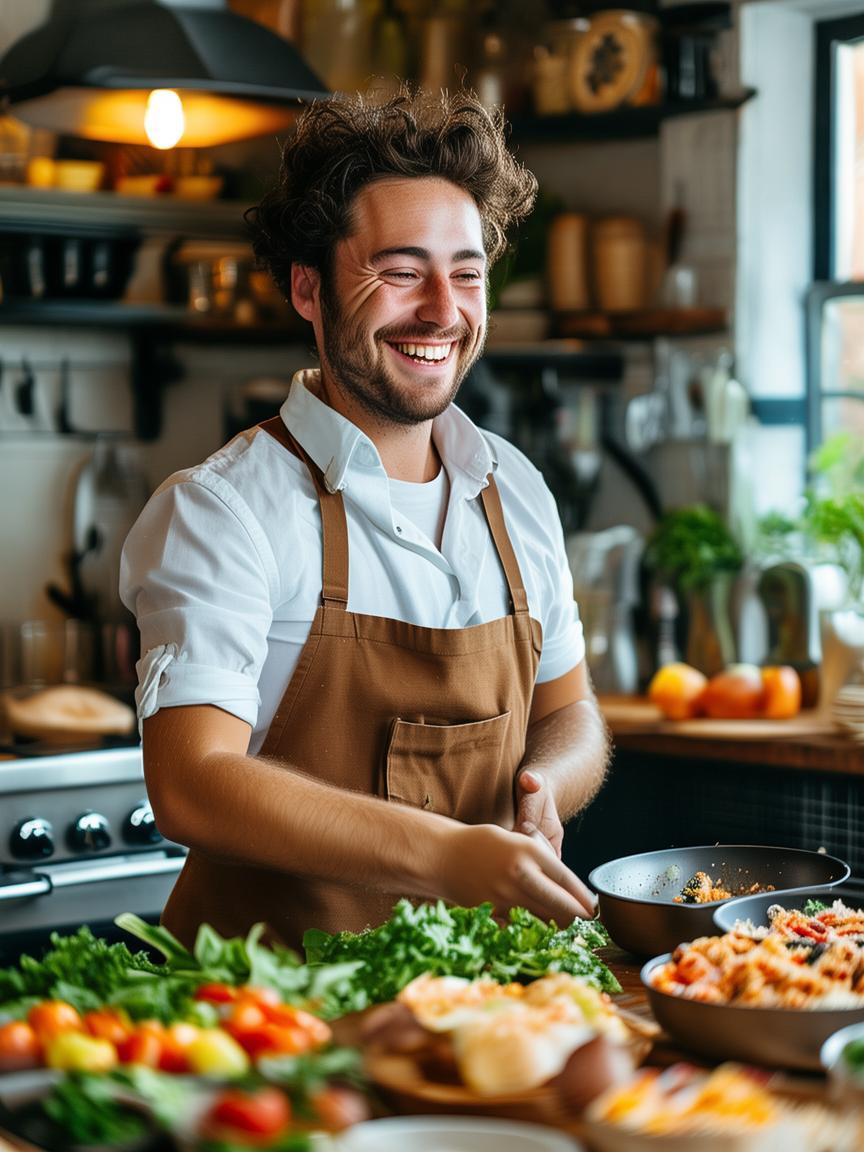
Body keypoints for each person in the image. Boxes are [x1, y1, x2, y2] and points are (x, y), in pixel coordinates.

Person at [120, 87, 610, 952]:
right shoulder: (223, 510)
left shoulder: (516, 490)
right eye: (400, 270)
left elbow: (573, 712)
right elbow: (192, 783)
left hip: (474, 1013)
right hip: (272, 1025)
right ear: (308, 290)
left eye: (466, 273)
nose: (442, 309)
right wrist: (446, 852)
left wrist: (543, 786)